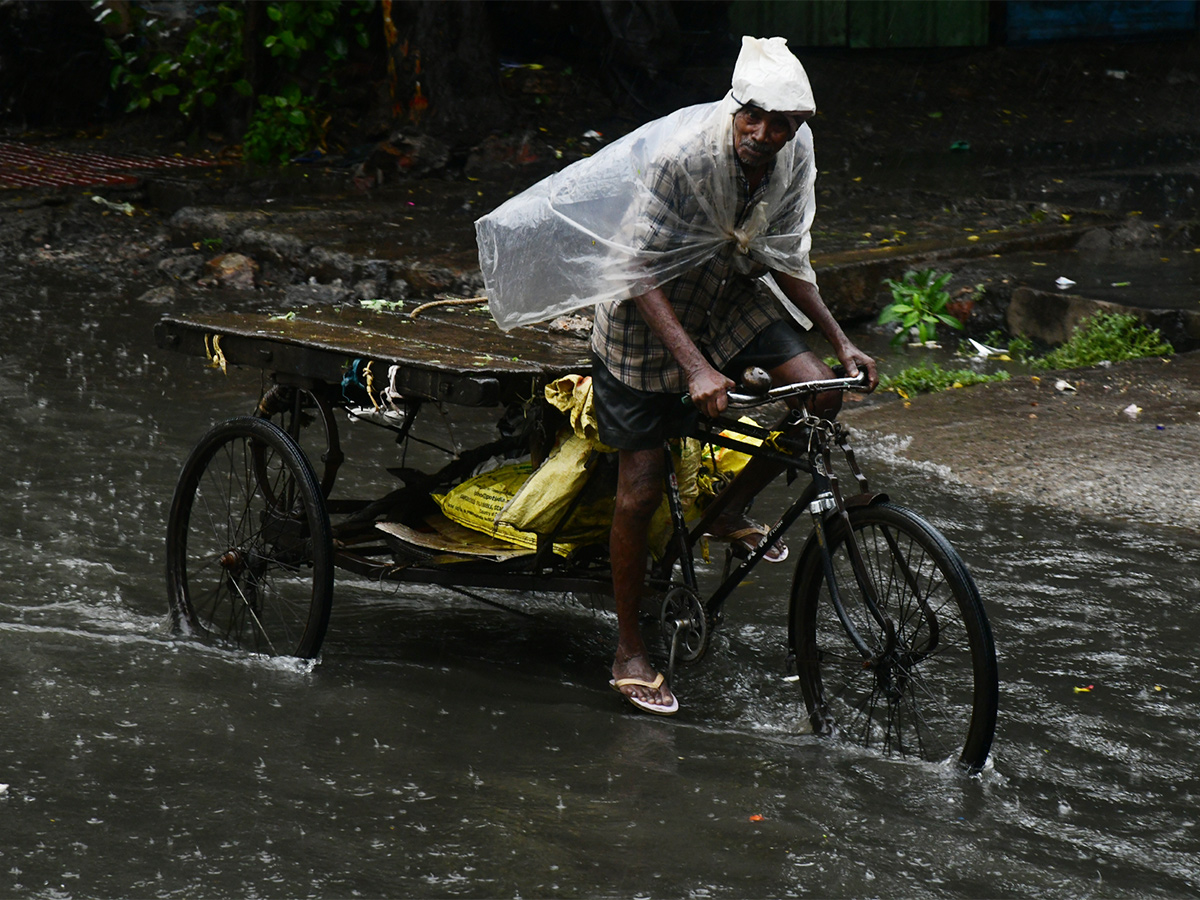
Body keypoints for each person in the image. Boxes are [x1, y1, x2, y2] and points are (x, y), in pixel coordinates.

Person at [476, 36, 877, 716]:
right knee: (639, 489)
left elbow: (782, 254)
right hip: (645, 317)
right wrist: (694, 367)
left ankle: (725, 509)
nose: (763, 133)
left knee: (823, 394)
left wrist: (840, 341)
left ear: (797, 127)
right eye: (754, 115)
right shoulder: (682, 157)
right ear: (735, 106)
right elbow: (631, 269)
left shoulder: (792, 156)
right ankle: (629, 647)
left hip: (727, 295)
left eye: (781, 123)